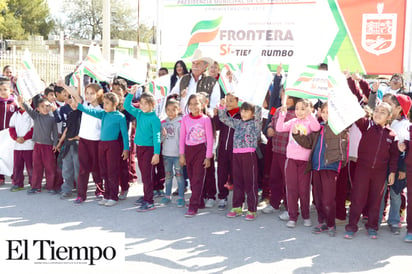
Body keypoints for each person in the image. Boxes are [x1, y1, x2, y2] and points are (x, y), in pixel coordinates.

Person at [292, 103, 348, 236]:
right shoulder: (319, 128)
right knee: (318, 197)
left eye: (329, 112)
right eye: (324, 112)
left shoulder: (340, 129)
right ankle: (322, 221)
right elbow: (308, 142)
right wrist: (297, 135)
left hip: (330, 167)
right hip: (316, 167)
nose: (326, 114)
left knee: (328, 199)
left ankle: (331, 224)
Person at [344, 102, 399, 239]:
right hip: (363, 169)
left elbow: (394, 156)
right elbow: (357, 114)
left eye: (382, 112)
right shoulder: (367, 125)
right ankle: (351, 227)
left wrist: (392, 172)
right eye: (377, 110)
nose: (378, 114)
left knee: (376, 200)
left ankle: (373, 227)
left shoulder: (392, 134)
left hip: (380, 173)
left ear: (389, 117)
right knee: (358, 198)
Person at [71, 92, 129, 207]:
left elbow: (125, 134)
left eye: (107, 103)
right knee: (104, 171)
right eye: (104, 103)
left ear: (115, 104)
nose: (105, 106)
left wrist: (126, 149)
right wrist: (78, 106)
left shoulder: (120, 117)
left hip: (113, 146)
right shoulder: (103, 114)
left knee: (112, 171)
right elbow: (90, 111)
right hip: (101, 145)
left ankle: (113, 196)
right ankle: (106, 195)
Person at [276, 98, 321, 228]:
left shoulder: (310, 122)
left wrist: (310, 114)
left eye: (303, 108)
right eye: (297, 108)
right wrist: (282, 114)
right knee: (291, 188)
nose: (299, 111)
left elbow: (316, 127)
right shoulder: (293, 121)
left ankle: (306, 215)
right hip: (291, 160)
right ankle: (292, 216)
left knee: (304, 189)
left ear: (309, 109)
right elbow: (279, 128)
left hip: (305, 162)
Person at [218, 99, 262, 221]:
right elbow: (224, 119)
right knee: (237, 182)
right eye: (242, 110)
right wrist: (222, 108)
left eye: (247, 111)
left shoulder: (255, 124)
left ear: (252, 113)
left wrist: (256, 98)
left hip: (249, 155)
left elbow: (259, 114)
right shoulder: (237, 123)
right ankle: (237, 206)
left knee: (250, 182)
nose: (243, 113)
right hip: (236, 155)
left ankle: (252, 209)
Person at [378, 94, 411, 234]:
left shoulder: (405, 125)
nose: (387, 106)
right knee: (380, 192)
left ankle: (394, 221)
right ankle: (377, 218)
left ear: (398, 108)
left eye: (390, 104)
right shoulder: (387, 121)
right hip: (383, 164)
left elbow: (406, 149)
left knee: (396, 193)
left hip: (398, 165)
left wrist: (403, 169)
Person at [124, 89, 161, 212]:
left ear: (152, 104)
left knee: (147, 175)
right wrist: (131, 93)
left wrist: (156, 153)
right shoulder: (139, 113)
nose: (143, 105)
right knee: (144, 174)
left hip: (149, 149)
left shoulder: (154, 119)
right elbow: (126, 106)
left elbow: (157, 137)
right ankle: (146, 195)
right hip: (139, 148)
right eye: (141, 103)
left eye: (146, 103)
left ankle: (149, 201)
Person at [179, 93, 213, 217]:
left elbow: (210, 139)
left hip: (201, 151)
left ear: (203, 104)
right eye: (191, 104)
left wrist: (208, 157)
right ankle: (199, 201)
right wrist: (181, 154)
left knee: (198, 178)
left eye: (196, 103)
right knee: (193, 178)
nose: (194, 106)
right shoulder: (185, 119)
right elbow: (182, 137)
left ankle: (193, 206)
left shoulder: (206, 119)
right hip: (189, 151)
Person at [17, 96, 58, 194]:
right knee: (37, 167)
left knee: (50, 167)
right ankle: (36, 187)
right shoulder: (36, 116)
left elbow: (55, 133)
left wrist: (55, 144)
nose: (45, 108)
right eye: (42, 106)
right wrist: (22, 101)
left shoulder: (52, 118)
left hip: (48, 146)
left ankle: (51, 186)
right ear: (38, 108)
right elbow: (28, 108)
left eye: (47, 106)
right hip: (37, 146)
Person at [71, 83, 104, 204]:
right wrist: (64, 85)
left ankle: (100, 190)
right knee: (83, 169)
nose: (88, 96)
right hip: (83, 141)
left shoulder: (101, 111)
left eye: (92, 93)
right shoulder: (84, 104)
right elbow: (75, 94)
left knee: (96, 168)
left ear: (98, 94)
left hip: (96, 142)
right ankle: (81, 195)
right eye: (87, 93)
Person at [213, 92, 240, 210]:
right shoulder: (224, 114)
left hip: (236, 150)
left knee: (237, 174)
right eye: (226, 100)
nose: (228, 103)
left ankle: (238, 198)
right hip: (223, 148)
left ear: (237, 101)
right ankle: (222, 197)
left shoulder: (241, 114)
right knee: (222, 173)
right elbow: (217, 126)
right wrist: (215, 115)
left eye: (231, 100)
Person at [172, 49, 221, 116]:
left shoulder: (212, 82)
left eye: (198, 63)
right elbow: (172, 96)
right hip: (183, 119)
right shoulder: (183, 79)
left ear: (206, 66)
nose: (195, 66)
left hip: (202, 120)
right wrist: (180, 97)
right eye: (193, 63)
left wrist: (206, 116)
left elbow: (215, 104)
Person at [111, 78, 136, 200]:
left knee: (123, 166)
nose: (115, 91)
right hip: (111, 140)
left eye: (119, 89)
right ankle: (112, 188)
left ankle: (124, 187)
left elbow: (134, 122)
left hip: (123, 140)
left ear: (125, 91)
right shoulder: (109, 105)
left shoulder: (127, 107)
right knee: (112, 165)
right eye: (113, 89)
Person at [160, 99, 185, 207]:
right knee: (168, 176)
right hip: (166, 154)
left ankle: (181, 197)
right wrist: (163, 135)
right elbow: (159, 140)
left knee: (179, 176)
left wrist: (182, 154)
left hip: (177, 155)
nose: (170, 112)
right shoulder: (163, 123)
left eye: (173, 110)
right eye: (168, 110)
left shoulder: (181, 121)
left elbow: (183, 139)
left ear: (178, 109)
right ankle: (167, 196)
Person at [8, 105, 34, 191]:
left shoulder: (32, 114)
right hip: (17, 145)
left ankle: (33, 182)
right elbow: (11, 128)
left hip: (29, 145)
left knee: (30, 166)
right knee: (17, 166)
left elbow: (33, 129)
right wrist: (16, 138)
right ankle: (18, 183)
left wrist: (24, 138)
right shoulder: (15, 114)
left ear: (30, 102)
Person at [0, 76, 18, 185]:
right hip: (0, 133)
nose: (2, 92)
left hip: (10, 134)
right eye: (0, 90)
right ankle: (0, 176)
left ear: (11, 90)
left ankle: (13, 175)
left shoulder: (14, 103)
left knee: (11, 156)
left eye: (5, 89)